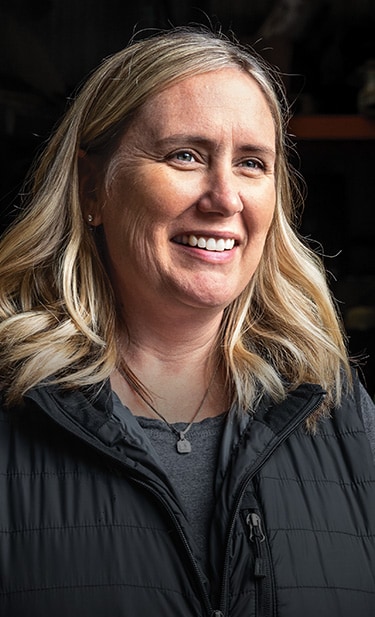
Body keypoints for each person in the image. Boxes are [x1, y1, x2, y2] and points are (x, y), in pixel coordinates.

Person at [0, 25, 374, 617]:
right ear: (92, 184)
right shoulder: (14, 405)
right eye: (186, 155)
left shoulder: (338, 410)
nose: (225, 197)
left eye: (252, 163)